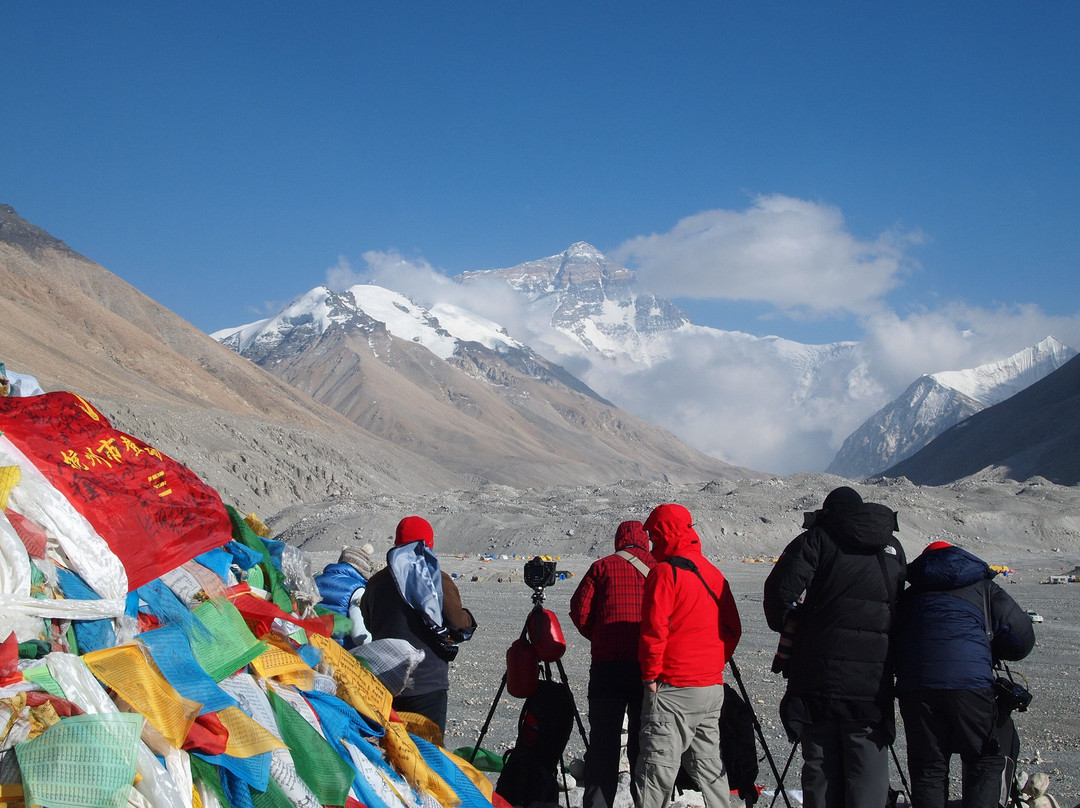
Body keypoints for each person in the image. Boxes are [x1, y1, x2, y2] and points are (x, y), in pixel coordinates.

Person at [763, 485, 906, 808]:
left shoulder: (816, 539)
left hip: (818, 674)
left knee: (821, 764)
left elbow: (778, 592)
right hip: (873, 678)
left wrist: (791, 624)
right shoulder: (890, 546)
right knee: (867, 765)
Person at [893, 541, 1036, 808]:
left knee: (929, 769)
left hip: (917, 689)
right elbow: (1022, 638)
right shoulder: (984, 589)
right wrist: (987, 649)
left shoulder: (910, 596)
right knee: (983, 759)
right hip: (971, 687)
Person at [633, 503, 742, 808]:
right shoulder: (714, 573)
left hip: (674, 687)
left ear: (666, 533)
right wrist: (712, 663)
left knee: (656, 769)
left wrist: (651, 676)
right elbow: (733, 628)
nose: (652, 543)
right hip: (710, 686)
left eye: (655, 536)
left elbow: (654, 631)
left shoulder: (665, 574)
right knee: (710, 767)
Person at [360, 516, 476, 733]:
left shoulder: (375, 583)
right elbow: (458, 624)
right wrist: (468, 619)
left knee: (391, 753)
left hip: (386, 681)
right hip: (428, 683)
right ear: (427, 545)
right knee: (428, 756)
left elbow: (368, 623)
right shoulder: (437, 580)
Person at [569, 520, 656, 808]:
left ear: (619, 539)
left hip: (607, 666)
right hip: (648, 667)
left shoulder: (602, 567)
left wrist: (599, 635)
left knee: (603, 744)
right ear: (645, 540)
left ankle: (596, 803)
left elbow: (579, 611)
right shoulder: (659, 569)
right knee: (643, 746)